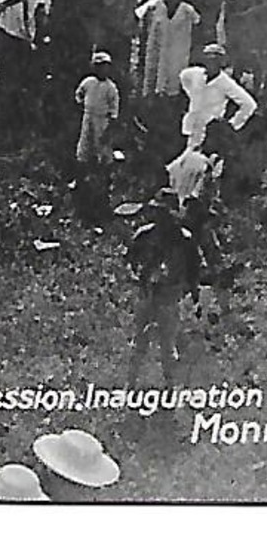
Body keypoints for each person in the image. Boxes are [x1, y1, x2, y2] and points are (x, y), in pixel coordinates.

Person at [125, 190, 199, 386]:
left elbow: (193, 269)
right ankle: (130, 386)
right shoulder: (144, 235)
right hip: (147, 292)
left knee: (167, 344)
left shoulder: (184, 239)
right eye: (158, 212)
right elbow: (129, 260)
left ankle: (169, 388)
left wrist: (192, 293)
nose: (161, 217)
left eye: (165, 212)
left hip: (170, 294)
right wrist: (138, 279)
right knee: (139, 342)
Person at [178, 43, 256, 152]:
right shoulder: (195, 74)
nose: (211, 63)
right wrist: (192, 95)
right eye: (208, 58)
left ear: (221, 62)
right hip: (191, 125)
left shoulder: (226, 83)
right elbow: (183, 77)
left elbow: (249, 104)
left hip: (211, 130)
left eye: (215, 59)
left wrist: (232, 124)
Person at [74, 51, 120, 225]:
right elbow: (78, 94)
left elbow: (114, 112)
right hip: (88, 118)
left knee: (104, 153)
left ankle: (104, 184)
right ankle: (81, 180)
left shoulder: (111, 88)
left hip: (103, 121)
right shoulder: (88, 82)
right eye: (99, 67)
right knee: (84, 148)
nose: (103, 70)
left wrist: (109, 130)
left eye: (106, 67)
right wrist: (80, 106)